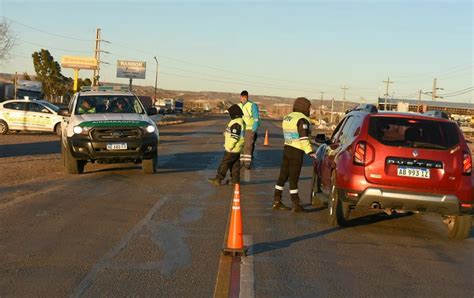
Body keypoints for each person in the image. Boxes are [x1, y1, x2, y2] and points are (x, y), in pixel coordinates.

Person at [273, 97, 316, 212]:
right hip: (296, 151)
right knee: (294, 178)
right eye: (309, 107)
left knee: (283, 176)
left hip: (287, 147)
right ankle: (296, 204)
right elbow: (303, 138)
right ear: (304, 106)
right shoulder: (302, 120)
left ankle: (276, 200)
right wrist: (310, 151)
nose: (310, 109)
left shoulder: (288, 117)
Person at [208, 104, 245, 186]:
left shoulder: (237, 122)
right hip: (237, 149)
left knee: (225, 163)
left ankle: (218, 179)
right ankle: (235, 181)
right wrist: (226, 133)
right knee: (235, 165)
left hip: (232, 148)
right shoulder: (238, 121)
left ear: (234, 113)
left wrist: (230, 146)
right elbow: (232, 132)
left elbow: (234, 137)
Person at [238, 90, 260, 169]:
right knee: (241, 146)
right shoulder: (239, 105)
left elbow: (256, 118)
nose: (241, 99)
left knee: (248, 146)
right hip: (241, 129)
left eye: (242, 97)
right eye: (241, 97)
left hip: (249, 129)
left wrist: (254, 129)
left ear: (246, 97)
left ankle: (247, 163)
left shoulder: (252, 105)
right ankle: (240, 162)